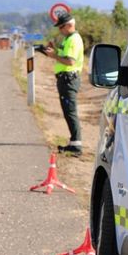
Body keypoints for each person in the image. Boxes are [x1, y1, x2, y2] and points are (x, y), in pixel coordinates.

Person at [44, 12, 84, 156]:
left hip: (69, 79)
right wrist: (54, 50)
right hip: (66, 79)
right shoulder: (69, 39)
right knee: (68, 111)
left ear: (69, 25)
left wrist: (54, 55)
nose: (60, 30)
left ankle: (76, 145)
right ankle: (74, 142)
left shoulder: (73, 39)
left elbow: (70, 61)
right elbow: (65, 55)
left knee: (70, 111)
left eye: (61, 27)